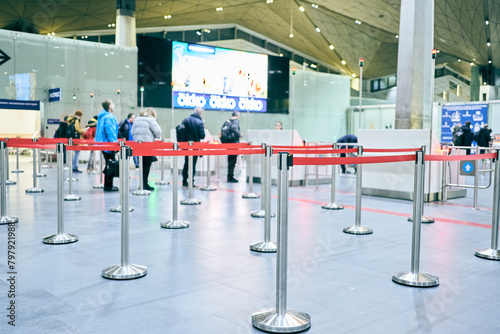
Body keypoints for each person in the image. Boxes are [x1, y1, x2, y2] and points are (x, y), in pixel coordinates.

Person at [131, 108, 162, 191]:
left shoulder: (136, 119)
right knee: (147, 165)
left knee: (141, 165)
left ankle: (142, 183)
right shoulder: (150, 120)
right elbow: (158, 132)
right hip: (148, 145)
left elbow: (132, 132)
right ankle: (144, 184)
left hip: (138, 145)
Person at [95, 99, 119, 191]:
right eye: (112, 104)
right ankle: (108, 186)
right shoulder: (109, 117)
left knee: (108, 164)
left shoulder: (102, 116)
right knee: (110, 165)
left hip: (102, 143)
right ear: (109, 106)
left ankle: (108, 185)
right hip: (108, 144)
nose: (113, 105)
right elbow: (110, 131)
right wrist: (114, 144)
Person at [181, 107, 205, 187]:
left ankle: (184, 180)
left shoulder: (185, 120)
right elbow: (202, 136)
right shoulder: (199, 122)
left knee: (186, 163)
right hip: (195, 146)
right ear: (200, 113)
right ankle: (191, 181)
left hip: (186, 145)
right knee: (193, 164)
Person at [220, 111, 241, 182]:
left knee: (230, 160)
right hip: (234, 143)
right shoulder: (235, 121)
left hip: (228, 143)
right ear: (237, 115)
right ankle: (230, 176)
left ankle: (229, 176)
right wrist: (239, 134)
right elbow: (234, 128)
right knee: (233, 161)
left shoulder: (228, 121)